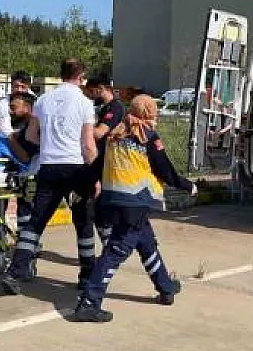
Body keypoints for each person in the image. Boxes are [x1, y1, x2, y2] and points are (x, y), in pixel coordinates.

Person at [71, 95, 197, 323]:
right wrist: (190, 186)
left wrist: (85, 187)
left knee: (146, 243)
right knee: (116, 251)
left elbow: (97, 165)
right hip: (134, 203)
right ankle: (89, 301)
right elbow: (165, 171)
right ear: (149, 113)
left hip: (112, 201)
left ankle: (166, 287)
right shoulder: (148, 137)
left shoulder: (114, 136)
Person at [2, 58, 100, 295]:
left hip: (49, 167)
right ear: (81, 76)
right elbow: (88, 145)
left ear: (60, 74)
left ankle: (17, 271)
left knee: (36, 220)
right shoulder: (85, 103)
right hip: (76, 169)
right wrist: (94, 174)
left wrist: (50, 143)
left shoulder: (43, 101)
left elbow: (33, 137)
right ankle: (87, 275)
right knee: (83, 222)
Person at [85, 73, 126, 245]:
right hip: (100, 161)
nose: (90, 96)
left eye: (92, 92)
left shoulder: (114, 108)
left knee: (102, 208)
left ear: (101, 89)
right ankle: (108, 244)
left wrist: (81, 125)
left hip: (108, 163)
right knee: (97, 209)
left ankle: (110, 246)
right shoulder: (104, 108)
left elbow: (100, 133)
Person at [0, 71, 33, 139]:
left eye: (23, 87)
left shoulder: (37, 103)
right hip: (5, 142)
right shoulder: (1, 106)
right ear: (11, 85)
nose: (19, 90)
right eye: (16, 86)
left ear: (28, 87)